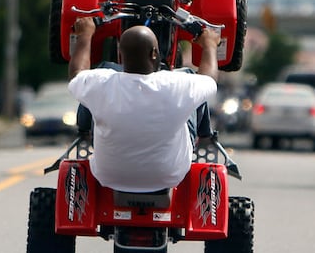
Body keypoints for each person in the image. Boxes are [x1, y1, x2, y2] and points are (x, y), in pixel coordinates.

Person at [67, 17, 220, 193]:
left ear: (121, 54)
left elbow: (76, 74)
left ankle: (83, 133)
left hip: (108, 176)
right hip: (169, 175)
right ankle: (206, 137)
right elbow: (209, 79)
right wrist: (209, 44)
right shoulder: (179, 84)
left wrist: (85, 34)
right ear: (154, 53)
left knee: (96, 79)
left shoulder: (101, 83)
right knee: (193, 83)